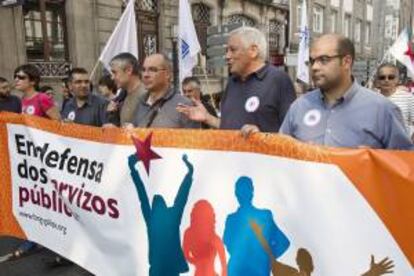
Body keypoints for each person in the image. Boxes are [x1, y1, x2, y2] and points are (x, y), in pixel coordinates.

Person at [280, 34, 413, 150]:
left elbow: (403, 165)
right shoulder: (299, 106)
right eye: (312, 61)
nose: (314, 67)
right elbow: (280, 152)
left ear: (346, 62)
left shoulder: (382, 110)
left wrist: (376, 161)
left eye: (324, 60)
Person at [177, 26, 296, 136]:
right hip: (230, 158)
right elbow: (229, 128)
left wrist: (262, 137)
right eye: (226, 51)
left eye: (233, 50)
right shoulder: (232, 82)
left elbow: (291, 133)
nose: (227, 56)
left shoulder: (279, 80)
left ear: (253, 51)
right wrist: (208, 118)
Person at [128, 153, 194, 276]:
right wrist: (189, 174)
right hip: (171, 267)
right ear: (164, 206)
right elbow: (181, 198)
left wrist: (133, 170)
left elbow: (142, 195)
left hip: (157, 268)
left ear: (153, 209)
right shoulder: (172, 218)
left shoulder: (151, 220)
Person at [223, 176, 290, 276]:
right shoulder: (232, 220)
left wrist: (267, 259)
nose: (243, 194)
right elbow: (228, 243)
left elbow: (283, 242)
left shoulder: (264, 216)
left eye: (245, 190)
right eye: (242, 191)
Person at [133, 54, 199, 128]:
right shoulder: (141, 103)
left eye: (152, 70)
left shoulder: (184, 105)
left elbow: (194, 138)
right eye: (143, 70)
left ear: (167, 74)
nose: (145, 75)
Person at [182, 200, 227, 276]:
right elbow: (185, 255)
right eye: (201, 217)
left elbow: (224, 266)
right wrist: (197, 262)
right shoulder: (189, 234)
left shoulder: (214, 238)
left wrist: (197, 262)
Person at [376, 63, 414, 141]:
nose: (386, 80)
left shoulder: (409, 98)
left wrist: (411, 143)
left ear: (397, 79)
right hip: (377, 148)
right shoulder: (371, 99)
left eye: (391, 77)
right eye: (382, 77)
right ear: (378, 80)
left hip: (402, 148)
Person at [107, 52, 146, 127]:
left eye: (114, 72)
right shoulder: (121, 97)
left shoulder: (146, 95)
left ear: (129, 70)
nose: (112, 77)